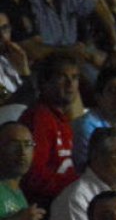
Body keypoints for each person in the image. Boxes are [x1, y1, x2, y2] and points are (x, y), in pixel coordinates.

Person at [18, 53, 79, 210]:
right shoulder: (38, 118)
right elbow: (34, 177)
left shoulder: (62, 121)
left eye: (74, 77)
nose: (70, 83)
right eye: (62, 77)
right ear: (44, 82)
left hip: (63, 201)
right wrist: (77, 188)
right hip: (42, 209)